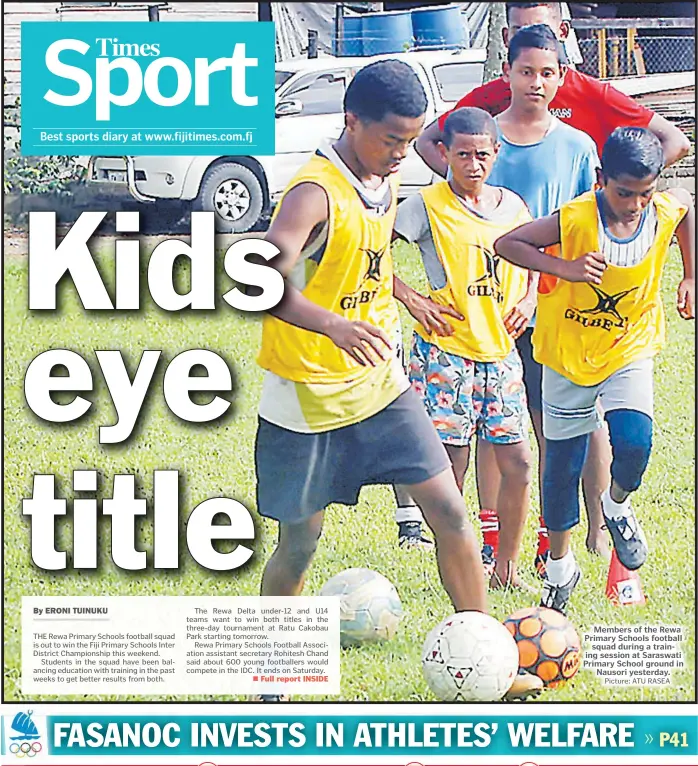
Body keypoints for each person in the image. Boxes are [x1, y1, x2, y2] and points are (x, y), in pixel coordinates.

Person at [254, 60, 542, 700]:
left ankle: (490, 662)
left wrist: (395, 300)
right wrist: (331, 325)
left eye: (411, 142)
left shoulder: (382, 181)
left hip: (382, 386)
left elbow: (367, 264)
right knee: (301, 543)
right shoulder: (313, 191)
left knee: (449, 509)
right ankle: (271, 674)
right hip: (307, 397)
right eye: (390, 141)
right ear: (350, 121)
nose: (402, 155)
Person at [415, 0, 691, 570]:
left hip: (559, 304)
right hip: (490, 301)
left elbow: (638, 187)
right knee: (501, 422)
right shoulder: (486, 124)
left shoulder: (578, 142)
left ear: (562, 71)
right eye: (524, 69)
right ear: (506, 68)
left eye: (546, 72)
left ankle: (594, 526)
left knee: (570, 425)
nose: (535, 82)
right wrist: (460, 199)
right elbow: (435, 148)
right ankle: (497, 539)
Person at [495, 126, 694, 613]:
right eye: (624, 192)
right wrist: (563, 268)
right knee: (561, 468)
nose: (634, 204)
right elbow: (508, 244)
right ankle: (561, 569)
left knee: (634, 441)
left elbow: (686, 206)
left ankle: (616, 505)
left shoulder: (662, 207)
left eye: (645, 193)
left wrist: (690, 274)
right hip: (567, 354)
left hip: (630, 345)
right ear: (602, 179)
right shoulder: (576, 218)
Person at [393, 106, 534, 590]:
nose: (473, 165)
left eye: (482, 155)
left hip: (500, 352)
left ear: (497, 153)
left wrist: (530, 298)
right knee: (449, 461)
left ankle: (507, 566)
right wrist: (412, 299)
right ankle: (460, 559)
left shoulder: (513, 207)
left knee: (517, 459)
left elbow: (533, 257)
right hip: (445, 353)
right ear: (443, 153)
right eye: (462, 155)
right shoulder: (424, 205)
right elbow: (366, 252)